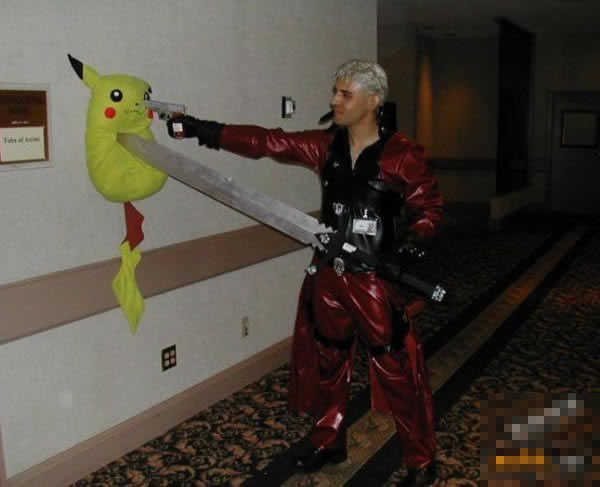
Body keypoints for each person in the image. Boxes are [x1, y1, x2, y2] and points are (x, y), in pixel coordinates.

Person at [166, 59, 442, 487]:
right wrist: (203, 130)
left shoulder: (401, 154)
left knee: (396, 369)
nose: (335, 100)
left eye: (345, 93)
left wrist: (414, 240)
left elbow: (429, 208)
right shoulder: (325, 146)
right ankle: (328, 439)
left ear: (372, 100)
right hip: (328, 275)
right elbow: (268, 141)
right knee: (329, 360)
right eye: (335, 92)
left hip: (372, 280)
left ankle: (421, 460)